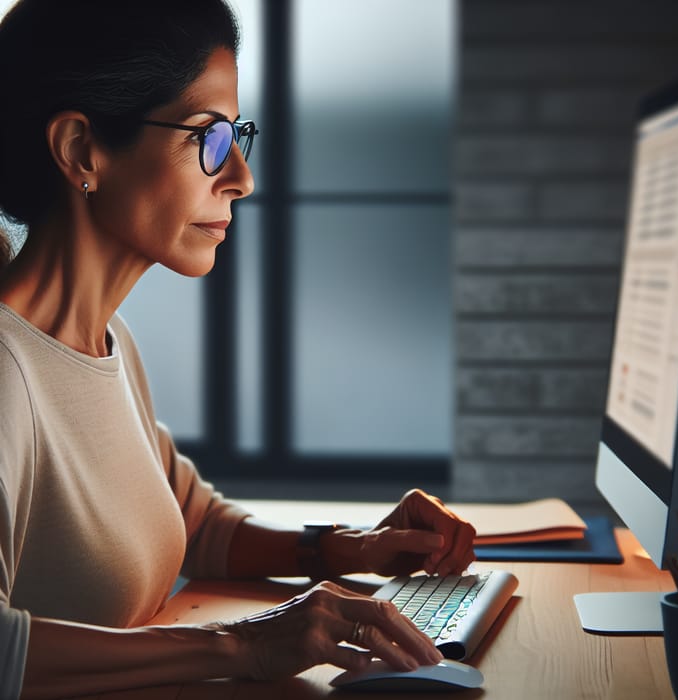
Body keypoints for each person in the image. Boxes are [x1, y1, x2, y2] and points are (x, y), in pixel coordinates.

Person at [0, 0, 477, 697]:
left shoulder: (105, 341)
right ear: (82, 150)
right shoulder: (8, 373)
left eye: (236, 137)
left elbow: (190, 520)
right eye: (208, 139)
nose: (243, 179)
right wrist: (243, 645)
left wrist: (349, 547)